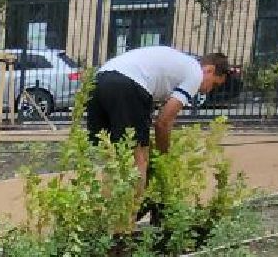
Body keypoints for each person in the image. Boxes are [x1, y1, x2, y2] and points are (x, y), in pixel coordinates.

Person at [85, 44, 231, 185]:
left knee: (109, 156)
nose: (209, 90)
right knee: (138, 159)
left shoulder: (178, 64)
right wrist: (163, 159)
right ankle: (132, 210)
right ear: (209, 70)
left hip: (98, 81)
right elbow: (163, 123)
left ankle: (108, 208)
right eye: (214, 84)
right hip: (128, 84)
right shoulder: (195, 73)